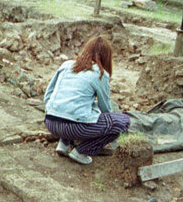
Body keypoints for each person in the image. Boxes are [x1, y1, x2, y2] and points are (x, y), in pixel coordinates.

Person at [43, 36, 130, 165]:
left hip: (50, 121)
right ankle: (81, 151)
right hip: (74, 128)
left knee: (72, 109)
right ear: (106, 57)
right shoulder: (100, 74)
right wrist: (107, 127)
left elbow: (47, 96)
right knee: (122, 122)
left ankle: (64, 143)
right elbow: (105, 108)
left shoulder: (66, 65)